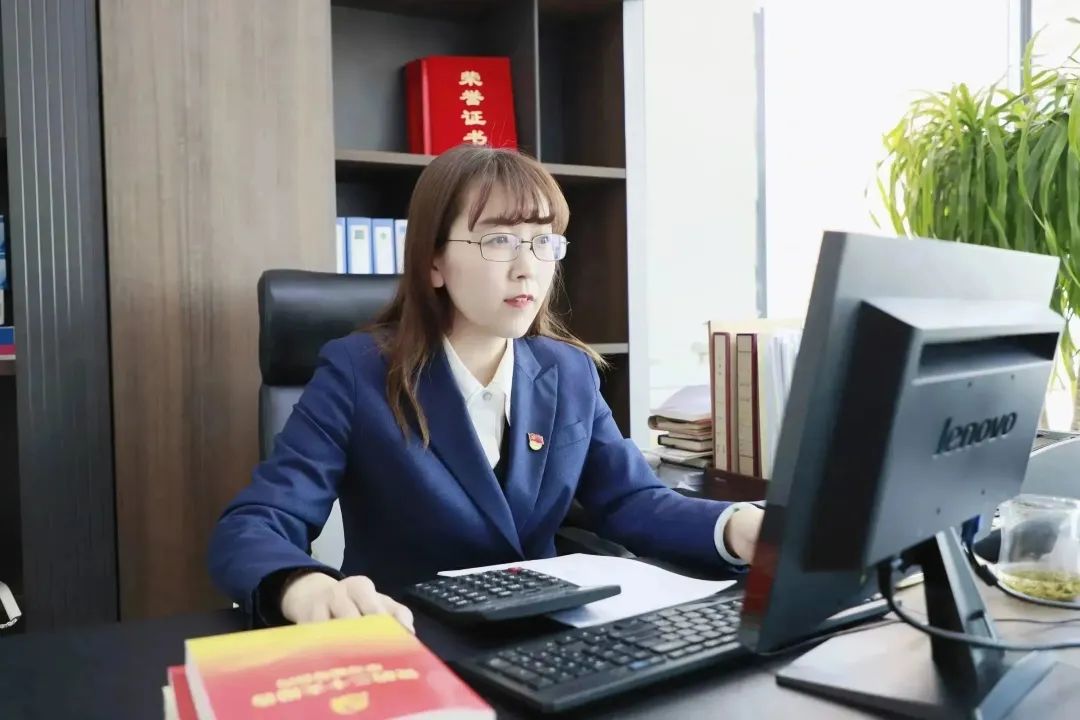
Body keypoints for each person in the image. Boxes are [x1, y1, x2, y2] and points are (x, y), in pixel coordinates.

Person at [207, 145, 764, 631]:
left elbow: (630, 500)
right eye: (499, 240)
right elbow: (257, 521)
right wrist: (303, 587)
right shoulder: (358, 372)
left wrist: (736, 527)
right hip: (416, 639)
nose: (528, 268)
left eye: (543, 241)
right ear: (433, 262)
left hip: (550, 639)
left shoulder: (568, 371)